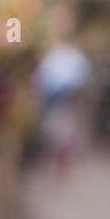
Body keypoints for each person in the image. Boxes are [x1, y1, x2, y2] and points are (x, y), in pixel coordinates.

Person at [33, 42, 91, 174]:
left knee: (65, 137)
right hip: (55, 103)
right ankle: (59, 164)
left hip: (66, 104)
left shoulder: (72, 59)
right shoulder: (53, 60)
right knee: (55, 136)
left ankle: (63, 165)